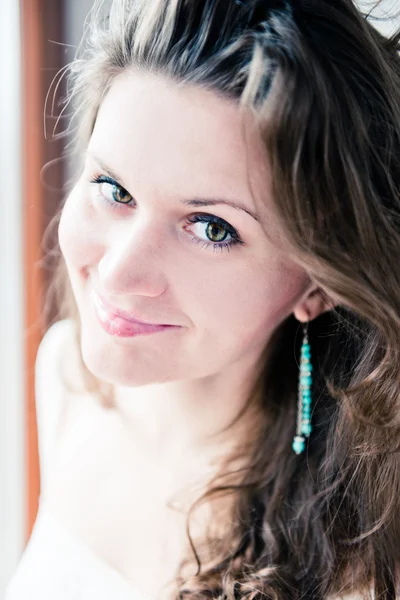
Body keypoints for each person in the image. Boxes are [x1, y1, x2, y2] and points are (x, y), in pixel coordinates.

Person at [5, 0, 400, 598]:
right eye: (114, 188)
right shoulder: (66, 375)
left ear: (318, 284)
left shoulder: (366, 557)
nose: (117, 273)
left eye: (212, 228)